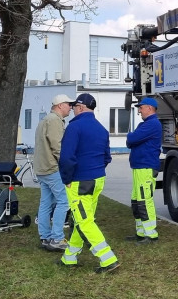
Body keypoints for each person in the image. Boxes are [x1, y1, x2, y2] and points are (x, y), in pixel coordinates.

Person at [58, 93, 118, 273]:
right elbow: (107, 157)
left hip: (79, 181)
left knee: (84, 221)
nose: (73, 110)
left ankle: (108, 259)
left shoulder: (74, 128)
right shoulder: (101, 129)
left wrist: (67, 179)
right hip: (98, 179)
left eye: (75, 107)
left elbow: (67, 157)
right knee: (82, 218)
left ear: (81, 107)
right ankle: (69, 257)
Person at [35, 93, 73, 252]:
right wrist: (67, 168)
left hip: (41, 168)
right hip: (52, 169)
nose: (70, 108)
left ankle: (45, 236)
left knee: (46, 202)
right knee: (64, 201)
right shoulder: (55, 121)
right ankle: (57, 238)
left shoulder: (45, 119)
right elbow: (58, 147)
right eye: (68, 104)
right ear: (60, 106)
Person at [126, 97, 163, 243]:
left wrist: (130, 136)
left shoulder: (152, 124)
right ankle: (141, 232)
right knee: (137, 201)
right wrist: (132, 137)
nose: (139, 110)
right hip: (140, 167)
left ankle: (151, 234)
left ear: (149, 108)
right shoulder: (146, 124)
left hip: (145, 167)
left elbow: (131, 140)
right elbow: (132, 140)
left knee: (144, 201)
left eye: (141, 107)